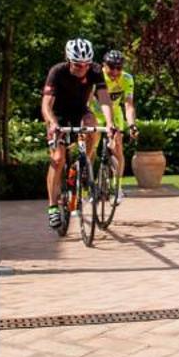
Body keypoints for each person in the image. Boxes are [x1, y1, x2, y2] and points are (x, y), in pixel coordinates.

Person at [42, 38, 109, 230]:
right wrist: (53, 123)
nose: (83, 68)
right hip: (59, 116)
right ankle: (53, 206)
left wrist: (111, 123)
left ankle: (84, 163)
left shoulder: (95, 71)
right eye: (78, 64)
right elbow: (46, 104)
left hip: (80, 112)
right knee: (58, 157)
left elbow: (104, 99)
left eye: (86, 64)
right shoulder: (57, 72)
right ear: (68, 59)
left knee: (93, 126)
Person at [100, 49, 137, 186]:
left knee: (118, 147)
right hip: (95, 112)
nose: (115, 72)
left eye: (119, 68)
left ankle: (117, 186)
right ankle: (91, 182)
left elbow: (128, 105)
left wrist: (132, 125)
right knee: (90, 147)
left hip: (115, 113)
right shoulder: (98, 76)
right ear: (104, 65)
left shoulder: (127, 79)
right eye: (111, 67)